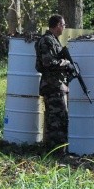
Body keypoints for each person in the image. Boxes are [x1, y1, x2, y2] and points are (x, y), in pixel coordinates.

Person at [35, 14, 73, 151]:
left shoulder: (53, 40)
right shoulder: (47, 40)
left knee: (58, 118)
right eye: (63, 25)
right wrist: (65, 63)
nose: (64, 28)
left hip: (57, 85)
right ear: (57, 25)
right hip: (52, 86)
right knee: (57, 120)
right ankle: (56, 150)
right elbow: (47, 63)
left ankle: (56, 149)